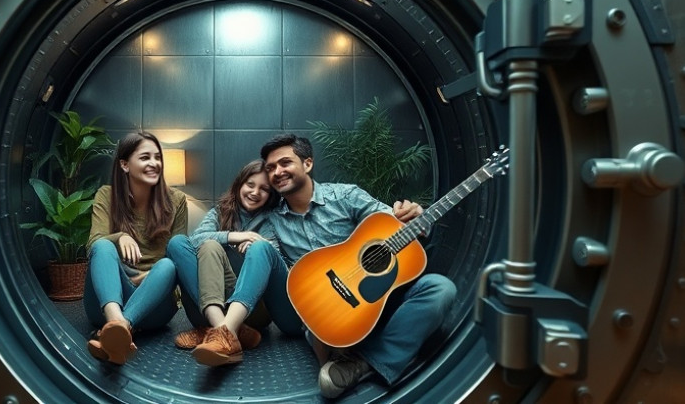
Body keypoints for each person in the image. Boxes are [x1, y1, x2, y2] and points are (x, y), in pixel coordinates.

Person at [260, 133, 456, 398]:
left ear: (307, 164)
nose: (277, 172)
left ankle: (362, 363)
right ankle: (372, 350)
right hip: (325, 311)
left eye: (285, 163)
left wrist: (418, 219)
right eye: (270, 168)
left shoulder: (346, 195)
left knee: (440, 289)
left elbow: (391, 224)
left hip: (378, 297)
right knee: (325, 333)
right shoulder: (272, 220)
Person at [84, 132, 189, 365]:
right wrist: (119, 236)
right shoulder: (106, 195)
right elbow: (92, 246)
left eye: (157, 157)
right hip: (110, 296)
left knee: (168, 265)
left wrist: (144, 279)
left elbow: (180, 256)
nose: (154, 163)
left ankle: (116, 330)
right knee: (102, 245)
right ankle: (118, 324)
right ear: (124, 164)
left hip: (154, 301)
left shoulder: (177, 200)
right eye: (145, 158)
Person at [165, 159, 279, 365]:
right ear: (239, 184)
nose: (255, 192)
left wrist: (256, 249)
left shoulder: (272, 220)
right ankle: (227, 331)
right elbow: (194, 240)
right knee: (179, 243)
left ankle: (214, 331)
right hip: (213, 297)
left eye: (264, 189)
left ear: (270, 195)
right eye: (250, 185)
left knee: (213, 246)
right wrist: (236, 236)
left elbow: (275, 257)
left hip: (251, 307)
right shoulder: (220, 211)